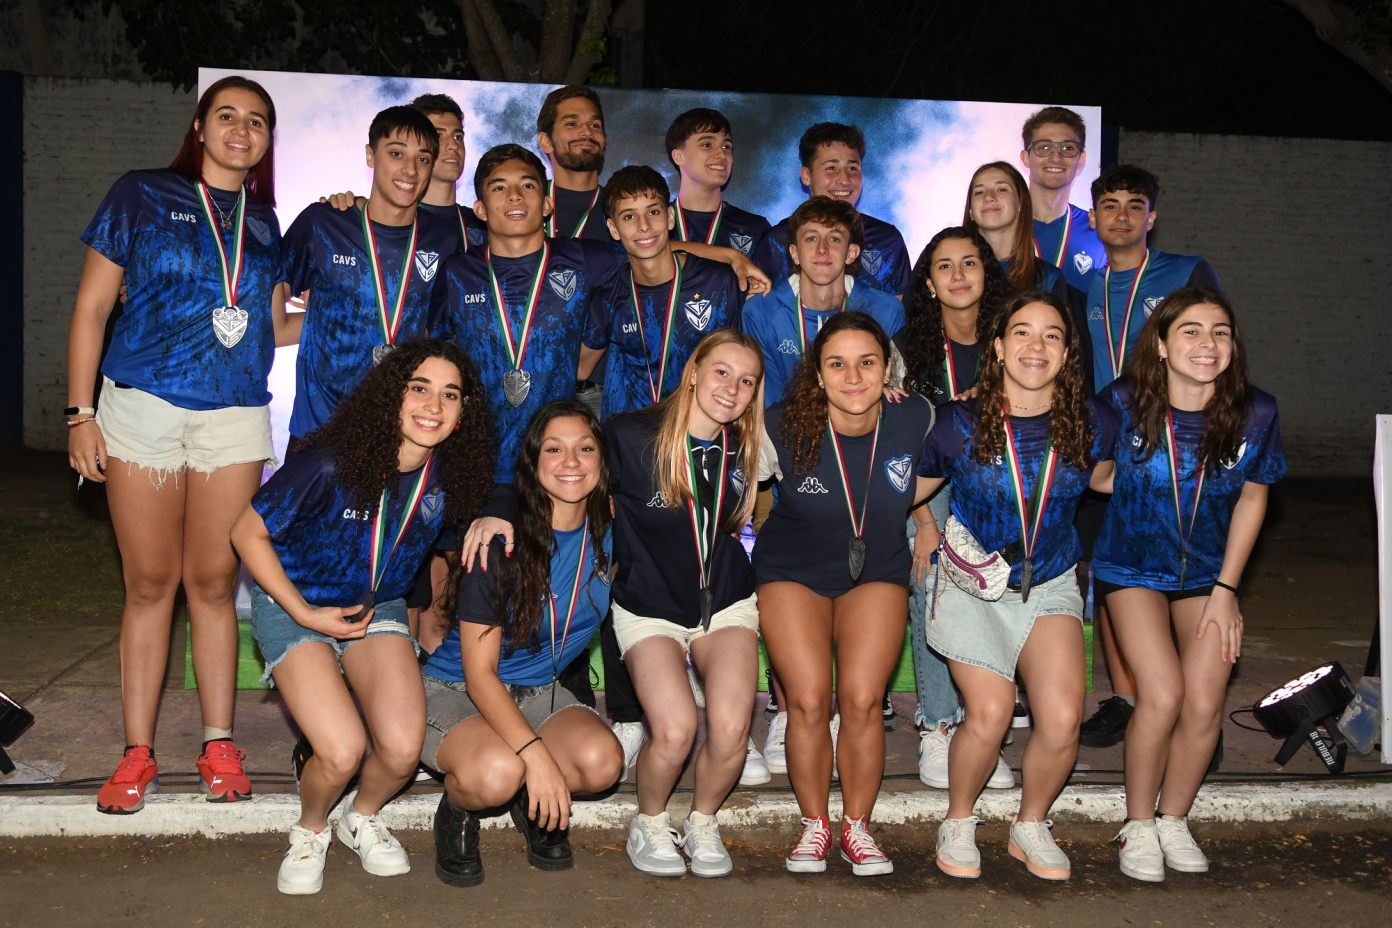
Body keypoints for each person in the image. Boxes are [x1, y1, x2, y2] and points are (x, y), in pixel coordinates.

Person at [67, 75, 287, 814]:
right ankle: (138, 753)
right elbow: (92, 308)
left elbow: (268, 326)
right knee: (150, 585)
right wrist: (79, 414)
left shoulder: (266, 224)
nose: (240, 129)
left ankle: (219, 744)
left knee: (216, 586)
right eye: (226, 115)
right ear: (199, 126)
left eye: (256, 121)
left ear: (266, 140)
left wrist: (355, 315)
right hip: (141, 411)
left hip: (234, 419)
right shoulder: (141, 194)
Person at [230, 339, 494, 895]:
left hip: (378, 609)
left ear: (463, 411)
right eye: (419, 388)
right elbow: (245, 533)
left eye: (450, 395)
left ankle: (361, 817)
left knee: (401, 750)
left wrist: (500, 517)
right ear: (392, 395)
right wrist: (305, 612)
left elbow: (499, 500)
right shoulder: (330, 461)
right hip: (297, 605)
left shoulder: (450, 475)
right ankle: (310, 829)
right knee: (342, 750)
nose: (433, 405)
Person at [918, 291, 1118, 882]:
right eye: (1023, 332)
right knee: (991, 711)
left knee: (1062, 717)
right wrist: (925, 523)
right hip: (973, 584)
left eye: (1052, 335)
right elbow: (906, 488)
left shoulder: (1094, 421)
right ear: (999, 348)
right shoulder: (958, 421)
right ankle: (958, 819)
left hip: (1049, 581)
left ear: (1067, 352)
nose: (1037, 345)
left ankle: (1029, 824)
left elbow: (1103, 478)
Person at [1096, 289, 1284, 882]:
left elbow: (1254, 497)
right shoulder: (1123, 401)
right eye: (1192, 331)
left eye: (1221, 332)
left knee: (1204, 702)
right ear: (1161, 343)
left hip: (1208, 575)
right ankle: (1138, 824)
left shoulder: (1256, 412)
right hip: (1131, 568)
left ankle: (1173, 818)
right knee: (1162, 694)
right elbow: (1096, 474)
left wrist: (1228, 591)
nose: (1208, 344)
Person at [755, 312, 936, 877]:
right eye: (837, 364)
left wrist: (925, 520)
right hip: (793, 570)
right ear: (817, 374)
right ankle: (815, 823)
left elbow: (932, 467)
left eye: (867, 363)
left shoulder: (918, 416)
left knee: (860, 700)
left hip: (876, 569)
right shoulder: (779, 424)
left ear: (888, 369)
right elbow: (741, 492)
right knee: (809, 700)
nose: (853, 377)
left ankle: (857, 826)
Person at [421, 400, 623, 887]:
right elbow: (479, 676)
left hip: (539, 691)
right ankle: (458, 810)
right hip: (457, 690)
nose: (571, 461)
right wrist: (537, 756)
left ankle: (530, 799)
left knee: (603, 764)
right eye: (554, 449)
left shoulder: (611, 531)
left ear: (602, 461)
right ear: (533, 463)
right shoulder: (499, 543)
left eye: (585, 448)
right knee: (496, 772)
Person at [605, 331, 767, 877]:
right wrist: (501, 509)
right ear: (693, 372)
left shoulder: (747, 448)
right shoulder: (630, 436)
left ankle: (702, 820)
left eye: (747, 381)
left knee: (731, 729)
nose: (732, 389)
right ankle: (649, 821)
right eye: (722, 372)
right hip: (649, 605)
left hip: (726, 603)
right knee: (675, 731)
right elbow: (565, 477)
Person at [1078, 164, 1223, 749]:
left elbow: (1215, 350)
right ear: (1093, 218)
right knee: (1112, 576)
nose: (1121, 216)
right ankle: (1127, 698)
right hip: (1113, 449)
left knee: (1184, 575)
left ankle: (1194, 710)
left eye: (1134, 205)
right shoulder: (1085, 286)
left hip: (1175, 452)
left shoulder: (1186, 272)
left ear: (1152, 216)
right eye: (1109, 206)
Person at [894, 227, 1015, 792]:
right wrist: (923, 522)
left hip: (1000, 475)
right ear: (929, 283)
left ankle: (980, 726)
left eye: (970, 262)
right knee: (932, 581)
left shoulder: (1014, 335)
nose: (959, 275)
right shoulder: (907, 347)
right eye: (944, 266)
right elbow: (898, 444)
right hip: (928, 486)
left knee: (994, 585)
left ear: (987, 272)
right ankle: (938, 724)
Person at [277, 105, 459, 445]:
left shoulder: (443, 238)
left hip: (400, 431)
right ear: (370, 155)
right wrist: (322, 316)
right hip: (318, 428)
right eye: (396, 153)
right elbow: (269, 308)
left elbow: (437, 331)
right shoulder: (323, 222)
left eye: (422, 159)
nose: (410, 169)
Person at [582, 165, 745, 419]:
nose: (644, 226)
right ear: (613, 229)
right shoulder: (609, 295)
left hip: (700, 429)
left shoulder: (720, 282)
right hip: (636, 433)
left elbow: (743, 363)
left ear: (670, 217)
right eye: (629, 217)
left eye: (653, 212)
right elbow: (581, 368)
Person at [743, 196, 905, 406]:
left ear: (851, 253)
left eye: (834, 239)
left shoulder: (887, 311)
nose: (822, 249)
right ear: (794, 253)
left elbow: (894, 394)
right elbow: (767, 405)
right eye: (811, 238)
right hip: (788, 424)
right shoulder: (760, 312)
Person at [753, 123, 910, 296]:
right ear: (806, 176)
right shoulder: (776, 242)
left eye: (852, 168)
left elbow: (900, 308)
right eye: (831, 168)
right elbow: (758, 306)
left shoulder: (887, 240)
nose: (845, 179)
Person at [1019, 106, 1106, 293]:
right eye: (1044, 147)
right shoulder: (1002, 225)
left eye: (1068, 148)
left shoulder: (1099, 232)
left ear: (1081, 159)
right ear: (1025, 158)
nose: (1056, 157)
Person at [665, 107, 771, 256]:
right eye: (707, 145)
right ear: (679, 157)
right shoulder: (654, 225)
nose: (722, 154)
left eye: (726, 147)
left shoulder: (754, 228)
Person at [412, 93, 488, 254]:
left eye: (458, 136)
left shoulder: (483, 223)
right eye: (438, 136)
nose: (453, 145)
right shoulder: (397, 219)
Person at [536, 85, 612, 243]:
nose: (587, 132)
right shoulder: (527, 204)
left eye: (595, 125)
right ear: (546, 141)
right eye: (572, 124)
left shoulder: (622, 206)